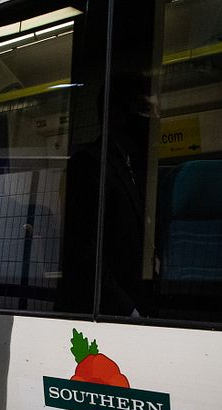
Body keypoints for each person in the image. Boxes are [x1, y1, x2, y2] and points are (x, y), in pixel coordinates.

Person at [63, 73, 153, 317]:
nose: (154, 120)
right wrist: (128, 309)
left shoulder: (133, 167)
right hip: (107, 313)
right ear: (116, 115)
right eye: (145, 110)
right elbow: (85, 252)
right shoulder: (89, 165)